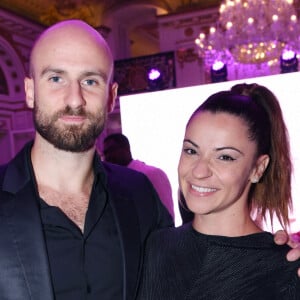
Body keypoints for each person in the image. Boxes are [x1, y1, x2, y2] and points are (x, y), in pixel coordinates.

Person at [0, 19, 174, 300]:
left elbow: (180, 277)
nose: (75, 99)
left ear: (111, 97)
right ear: (30, 92)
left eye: (90, 81)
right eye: (56, 78)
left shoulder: (140, 193)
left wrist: (261, 253)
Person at [137, 83, 300, 299]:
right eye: (191, 151)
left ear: (257, 169)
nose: (200, 171)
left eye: (225, 157)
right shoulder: (153, 247)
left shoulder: (285, 270)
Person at [103, 133, 175, 219]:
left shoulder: (152, 174)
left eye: (112, 150)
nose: (108, 157)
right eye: (105, 153)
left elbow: (167, 216)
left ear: (126, 149)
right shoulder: (112, 182)